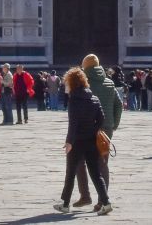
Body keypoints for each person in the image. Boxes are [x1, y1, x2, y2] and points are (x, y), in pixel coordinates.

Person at [52, 67, 112, 216]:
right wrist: (93, 130)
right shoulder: (94, 98)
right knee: (96, 173)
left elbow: (73, 123)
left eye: (67, 82)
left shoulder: (73, 100)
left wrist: (69, 142)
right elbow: (101, 119)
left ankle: (65, 204)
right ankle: (106, 203)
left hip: (77, 142)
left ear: (72, 83)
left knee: (70, 173)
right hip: (91, 141)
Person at [74, 54, 121, 208]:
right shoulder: (109, 82)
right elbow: (119, 104)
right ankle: (102, 200)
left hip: (87, 129)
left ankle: (85, 196)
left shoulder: (84, 83)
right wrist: (114, 123)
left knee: (79, 161)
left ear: (85, 66)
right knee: (102, 163)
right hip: (106, 128)